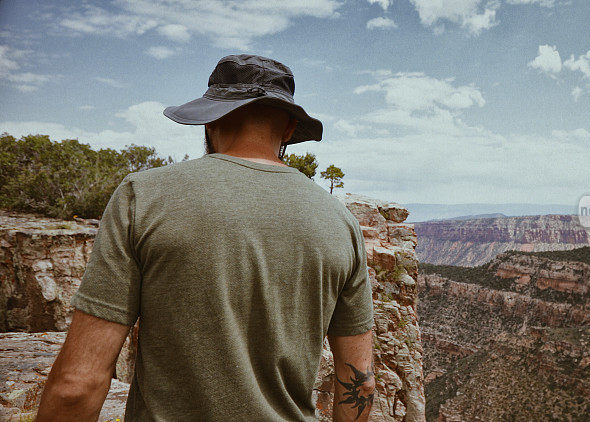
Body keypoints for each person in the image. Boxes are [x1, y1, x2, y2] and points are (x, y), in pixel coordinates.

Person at [37, 55, 376, 421]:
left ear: (210, 118)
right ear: (290, 129)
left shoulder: (144, 196)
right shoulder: (340, 222)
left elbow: (77, 384)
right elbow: (359, 383)